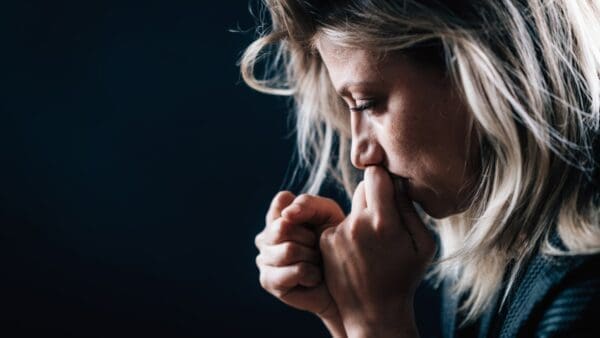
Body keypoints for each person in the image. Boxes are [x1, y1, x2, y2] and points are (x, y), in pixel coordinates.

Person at [242, 0, 600, 337]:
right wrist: (346, 311)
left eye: (368, 103)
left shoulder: (582, 293)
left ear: (474, 64)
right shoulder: (505, 260)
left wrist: (377, 321)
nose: (360, 153)